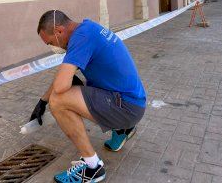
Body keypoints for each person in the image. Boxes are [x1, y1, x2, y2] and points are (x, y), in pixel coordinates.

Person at [30, 10, 146, 183]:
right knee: (70, 87)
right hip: (132, 102)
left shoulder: (81, 39)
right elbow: (66, 77)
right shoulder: (87, 29)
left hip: (127, 108)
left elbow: (61, 86)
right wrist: (42, 100)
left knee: (58, 101)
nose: (52, 47)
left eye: (50, 43)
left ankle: (93, 167)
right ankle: (122, 130)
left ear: (59, 31)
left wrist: (49, 100)